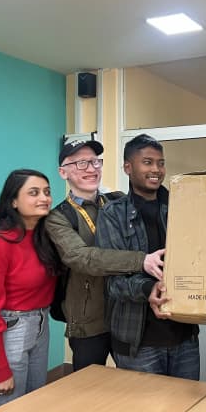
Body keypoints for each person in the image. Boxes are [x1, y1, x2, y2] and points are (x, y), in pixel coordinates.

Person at [45, 139, 164, 371]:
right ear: (63, 172)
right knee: (90, 390)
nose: (91, 169)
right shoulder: (58, 217)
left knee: (135, 385)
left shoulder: (118, 201)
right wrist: (141, 260)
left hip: (129, 312)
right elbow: (83, 258)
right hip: (90, 319)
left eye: (95, 162)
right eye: (81, 164)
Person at [95, 134, 200, 380]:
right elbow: (113, 282)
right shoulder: (112, 215)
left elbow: (200, 262)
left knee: (188, 408)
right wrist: (148, 288)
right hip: (138, 342)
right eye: (148, 162)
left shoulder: (183, 206)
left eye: (161, 163)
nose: (156, 170)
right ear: (128, 167)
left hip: (184, 337)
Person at [0, 169, 61, 411]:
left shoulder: (46, 236)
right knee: (8, 410)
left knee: (34, 406)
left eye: (47, 192)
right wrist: (0, 369)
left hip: (40, 325)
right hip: (9, 330)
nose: (44, 198)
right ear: (13, 201)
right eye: (34, 193)